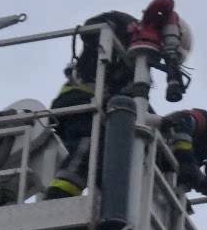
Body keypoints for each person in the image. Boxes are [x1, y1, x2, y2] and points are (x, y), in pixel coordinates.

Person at [44, 11, 137, 200]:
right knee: (93, 141)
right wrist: (109, 35)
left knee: (108, 152)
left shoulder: (137, 66)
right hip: (77, 101)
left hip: (89, 108)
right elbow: (90, 27)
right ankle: (60, 193)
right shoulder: (127, 25)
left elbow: (134, 103)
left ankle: (107, 204)